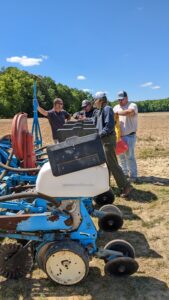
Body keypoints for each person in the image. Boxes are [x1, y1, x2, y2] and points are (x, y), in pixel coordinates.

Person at [93, 91, 131, 197]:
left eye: (95, 100)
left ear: (100, 100)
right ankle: (105, 186)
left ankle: (125, 186)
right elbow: (94, 122)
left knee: (112, 164)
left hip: (108, 140)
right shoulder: (99, 111)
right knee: (106, 165)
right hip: (103, 140)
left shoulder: (107, 109)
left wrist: (99, 135)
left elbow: (109, 126)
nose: (94, 102)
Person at [113, 91, 138, 182]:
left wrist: (117, 113)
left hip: (130, 136)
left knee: (130, 156)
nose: (120, 101)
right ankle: (124, 173)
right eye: (118, 99)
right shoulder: (115, 107)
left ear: (126, 98)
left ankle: (133, 175)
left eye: (121, 99)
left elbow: (129, 112)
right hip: (119, 137)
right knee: (121, 156)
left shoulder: (132, 105)